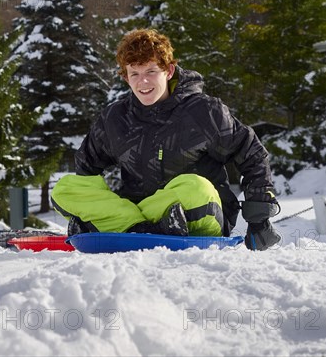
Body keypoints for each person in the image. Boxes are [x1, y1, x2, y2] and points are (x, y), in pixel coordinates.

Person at [51, 29, 281, 250]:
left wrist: (258, 216)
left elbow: (251, 153)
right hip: (140, 211)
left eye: (151, 71)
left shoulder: (204, 111)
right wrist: (94, 206)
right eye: (135, 74)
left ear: (169, 71)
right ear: (125, 77)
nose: (143, 82)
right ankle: (139, 229)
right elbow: (86, 170)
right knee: (65, 188)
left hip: (194, 210)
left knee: (196, 186)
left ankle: (127, 228)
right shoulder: (115, 118)